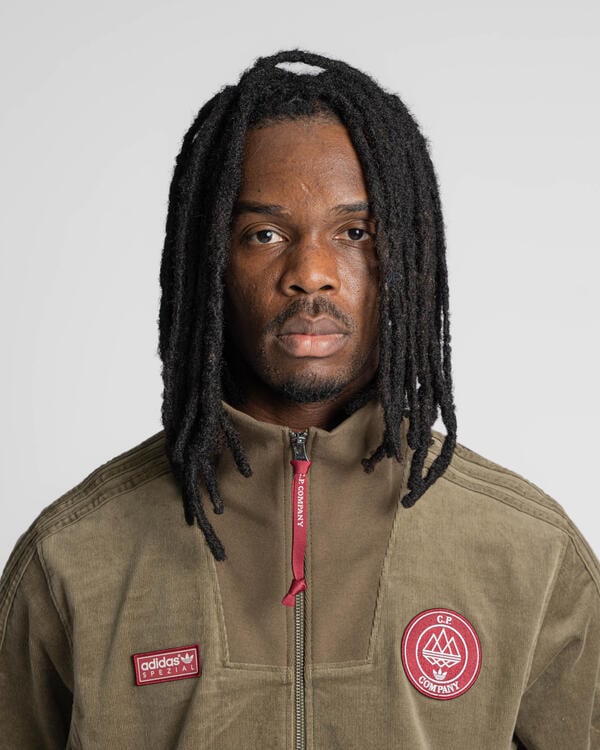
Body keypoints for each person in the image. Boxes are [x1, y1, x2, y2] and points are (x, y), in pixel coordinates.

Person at [0, 49, 598, 750]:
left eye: (355, 233)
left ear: (407, 257)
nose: (311, 273)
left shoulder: (531, 553)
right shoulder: (73, 557)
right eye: (265, 234)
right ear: (210, 263)